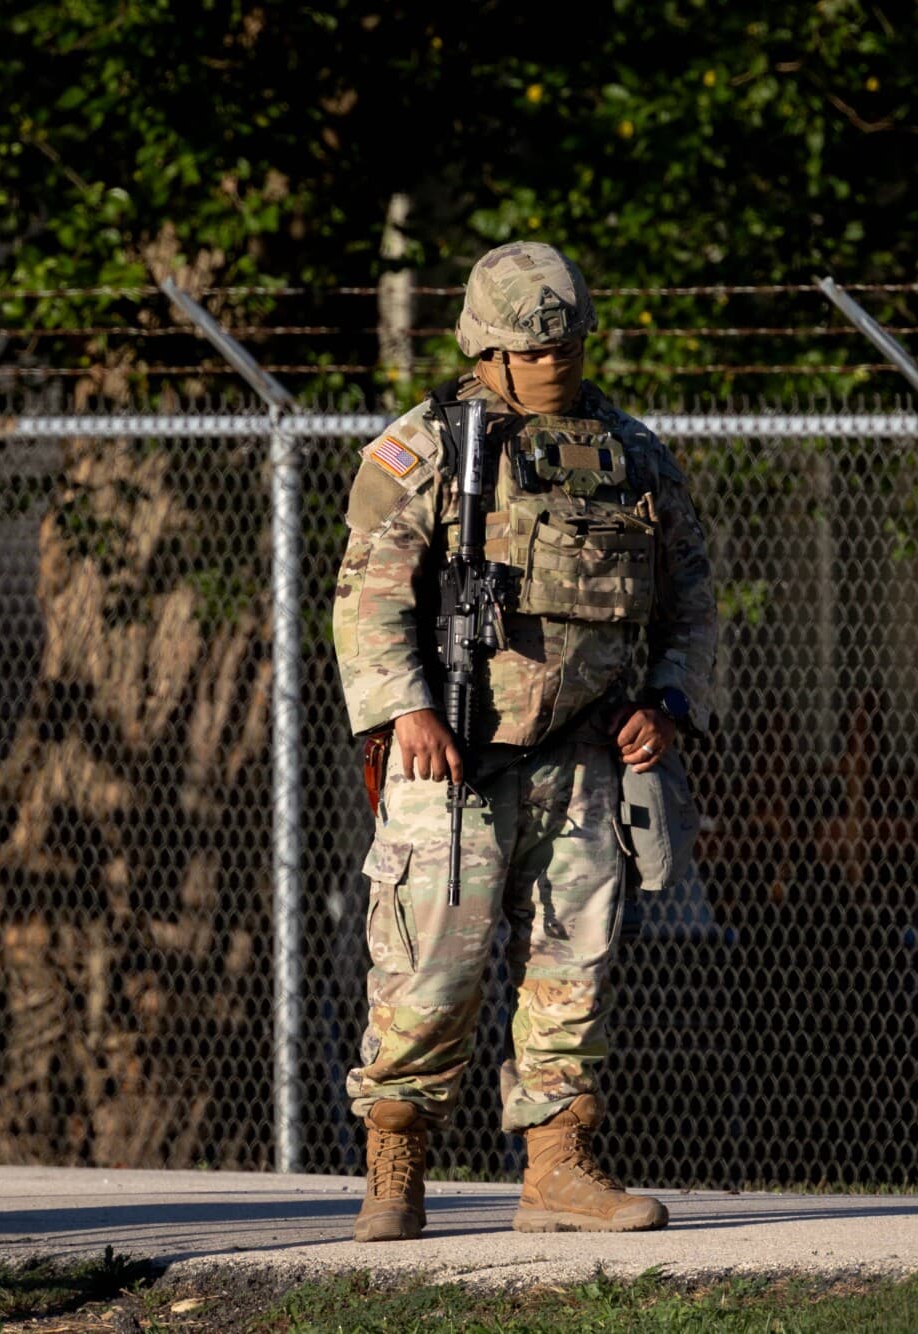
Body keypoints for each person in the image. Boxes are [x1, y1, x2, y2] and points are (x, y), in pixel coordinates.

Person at [333, 240, 716, 1239]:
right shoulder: (422, 451)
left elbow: (693, 598)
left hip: (584, 756)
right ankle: (395, 1163)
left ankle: (558, 1168)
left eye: (568, 344)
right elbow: (367, 594)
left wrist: (665, 704)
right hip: (449, 758)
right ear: (486, 352)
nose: (555, 363)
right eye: (531, 349)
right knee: (430, 975)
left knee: (572, 971)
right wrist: (406, 708)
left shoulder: (629, 452)